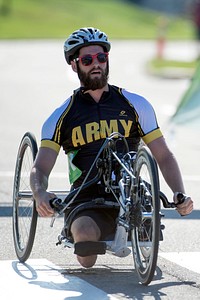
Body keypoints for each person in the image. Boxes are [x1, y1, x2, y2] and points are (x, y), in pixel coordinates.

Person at [30, 27, 193, 268]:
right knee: (86, 255)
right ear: (74, 66)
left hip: (132, 194)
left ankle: (133, 229)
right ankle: (83, 232)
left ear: (107, 60)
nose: (95, 64)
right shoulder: (61, 117)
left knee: (148, 234)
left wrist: (179, 193)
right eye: (87, 60)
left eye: (101, 58)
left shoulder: (135, 104)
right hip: (87, 196)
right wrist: (39, 193)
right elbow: (40, 168)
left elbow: (163, 155)